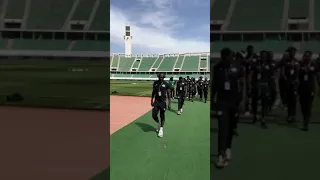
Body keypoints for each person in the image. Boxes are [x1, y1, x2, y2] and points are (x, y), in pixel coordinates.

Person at [213, 48, 244, 168]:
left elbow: (242, 83)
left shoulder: (237, 67)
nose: (226, 58)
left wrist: (243, 101)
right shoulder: (217, 68)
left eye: (229, 56)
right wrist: (212, 102)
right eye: (224, 56)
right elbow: (214, 85)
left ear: (231, 56)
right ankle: (221, 155)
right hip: (222, 102)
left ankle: (228, 148)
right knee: (222, 128)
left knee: (231, 127)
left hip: (234, 101)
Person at [298, 51, 320, 131]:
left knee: (308, 105)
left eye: (308, 56)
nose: (306, 57)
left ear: (310, 57)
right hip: (301, 88)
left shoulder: (314, 65)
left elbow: (317, 75)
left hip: (310, 88)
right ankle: (305, 118)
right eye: (305, 56)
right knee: (303, 106)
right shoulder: (299, 64)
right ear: (303, 57)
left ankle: (306, 123)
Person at [249, 51, 269, 128]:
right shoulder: (255, 63)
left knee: (265, 102)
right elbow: (251, 73)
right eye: (262, 55)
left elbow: (271, 77)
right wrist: (250, 84)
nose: (263, 57)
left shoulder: (269, 65)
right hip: (256, 85)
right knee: (254, 102)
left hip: (264, 86)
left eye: (265, 55)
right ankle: (254, 116)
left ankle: (263, 119)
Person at [282, 47, 300, 123]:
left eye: (294, 52)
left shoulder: (297, 62)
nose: (293, 53)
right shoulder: (286, 62)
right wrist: (286, 80)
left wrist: (297, 80)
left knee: (294, 99)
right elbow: (283, 73)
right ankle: (289, 115)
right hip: (288, 83)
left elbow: (298, 73)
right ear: (289, 53)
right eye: (291, 52)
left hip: (295, 83)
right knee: (289, 99)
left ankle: (293, 115)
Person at [151, 73, 171, 137]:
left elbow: (169, 93)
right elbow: (153, 92)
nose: (161, 78)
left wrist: (169, 102)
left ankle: (161, 129)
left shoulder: (166, 84)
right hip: (156, 101)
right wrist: (151, 100)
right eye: (160, 77)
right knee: (154, 115)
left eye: (162, 77)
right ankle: (159, 123)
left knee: (162, 116)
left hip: (163, 102)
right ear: (158, 77)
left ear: (164, 78)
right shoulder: (155, 83)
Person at [244, 45, 258, 116]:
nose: (251, 51)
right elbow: (246, 63)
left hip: (254, 78)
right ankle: (247, 109)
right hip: (247, 78)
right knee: (247, 93)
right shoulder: (246, 57)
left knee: (254, 94)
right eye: (249, 50)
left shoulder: (256, 57)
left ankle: (253, 109)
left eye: (252, 50)